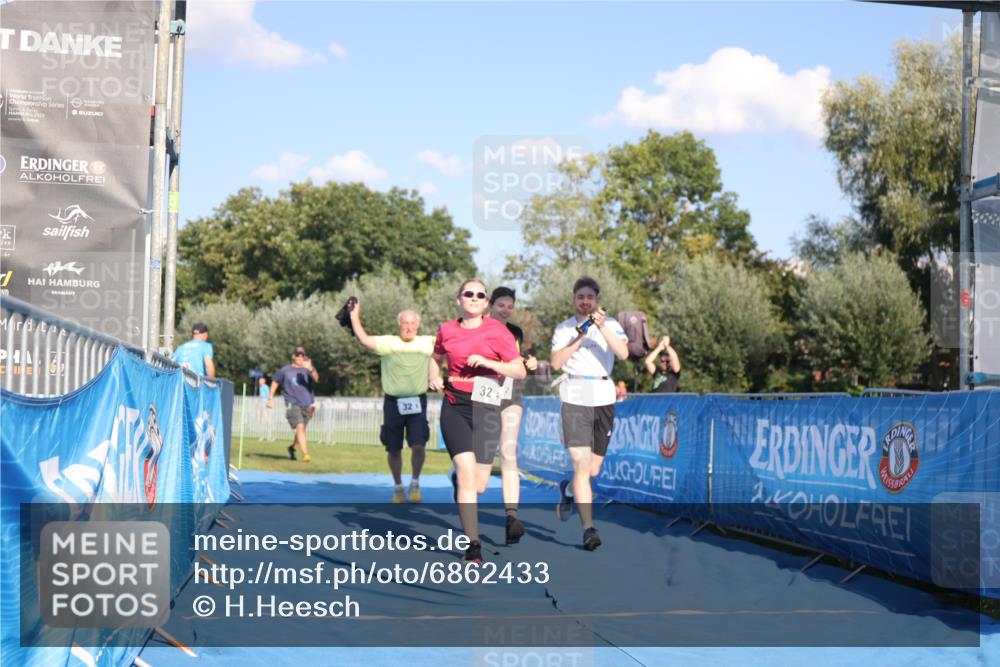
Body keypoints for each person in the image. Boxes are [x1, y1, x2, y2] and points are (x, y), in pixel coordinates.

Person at [428, 279, 526, 563]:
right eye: (468, 293)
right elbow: (435, 357)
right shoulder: (447, 329)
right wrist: (433, 374)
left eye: (479, 295)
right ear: (459, 299)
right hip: (455, 404)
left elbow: (518, 370)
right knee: (467, 474)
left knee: (479, 484)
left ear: (485, 303)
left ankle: (460, 481)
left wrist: (490, 363)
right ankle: (473, 545)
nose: (473, 297)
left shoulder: (497, 330)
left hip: (487, 407)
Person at [550, 276, 629, 551]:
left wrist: (601, 327)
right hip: (575, 393)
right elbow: (557, 362)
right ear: (574, 300)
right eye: (580, 297)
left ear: (596, 300)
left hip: (603, 395)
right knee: (581, 465)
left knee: (592, 469)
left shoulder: (612, 326)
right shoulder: (564, 328)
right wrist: (579, 335)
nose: (585, 301)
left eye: (590, 297)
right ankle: (588, 528)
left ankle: (569, 490)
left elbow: (624, 353)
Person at [349, 299, 434, 504]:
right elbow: (363, 338)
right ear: (399, 325)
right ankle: (398, 486)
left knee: (419, 445)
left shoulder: (427, 342)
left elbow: (456, 340)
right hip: (393, 403)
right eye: (406, 323)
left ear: (418, 325)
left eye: (413, 323)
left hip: (417, 401)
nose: (409, 327)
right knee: (393, 448)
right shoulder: (388, 343)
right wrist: (354, 315)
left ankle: (415, 481)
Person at [488, 286, 538, 545]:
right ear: (491, 305)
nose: (506, 310)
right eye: (501, 305)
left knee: (509, 453)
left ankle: (511, 518)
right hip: (483, 396)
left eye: (510, 305)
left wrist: (530, 363)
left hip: (511, 395)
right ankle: (458, 474)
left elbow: (517, 360)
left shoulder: (516, 332)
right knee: (480, 460)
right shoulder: (478, 327)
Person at [267, 347, 319, 463]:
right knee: (300, 427)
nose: (300, 358)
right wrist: (270, 398)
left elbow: (316, 379)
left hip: (308, 404)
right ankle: (306, 454)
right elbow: (275, 382)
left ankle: (292, 448)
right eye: (297, 355)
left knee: (301, 430)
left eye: (302, 356)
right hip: (292, 403)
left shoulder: (308, 369)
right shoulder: (285, 370)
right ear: (293, 357)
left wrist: (310, 368)